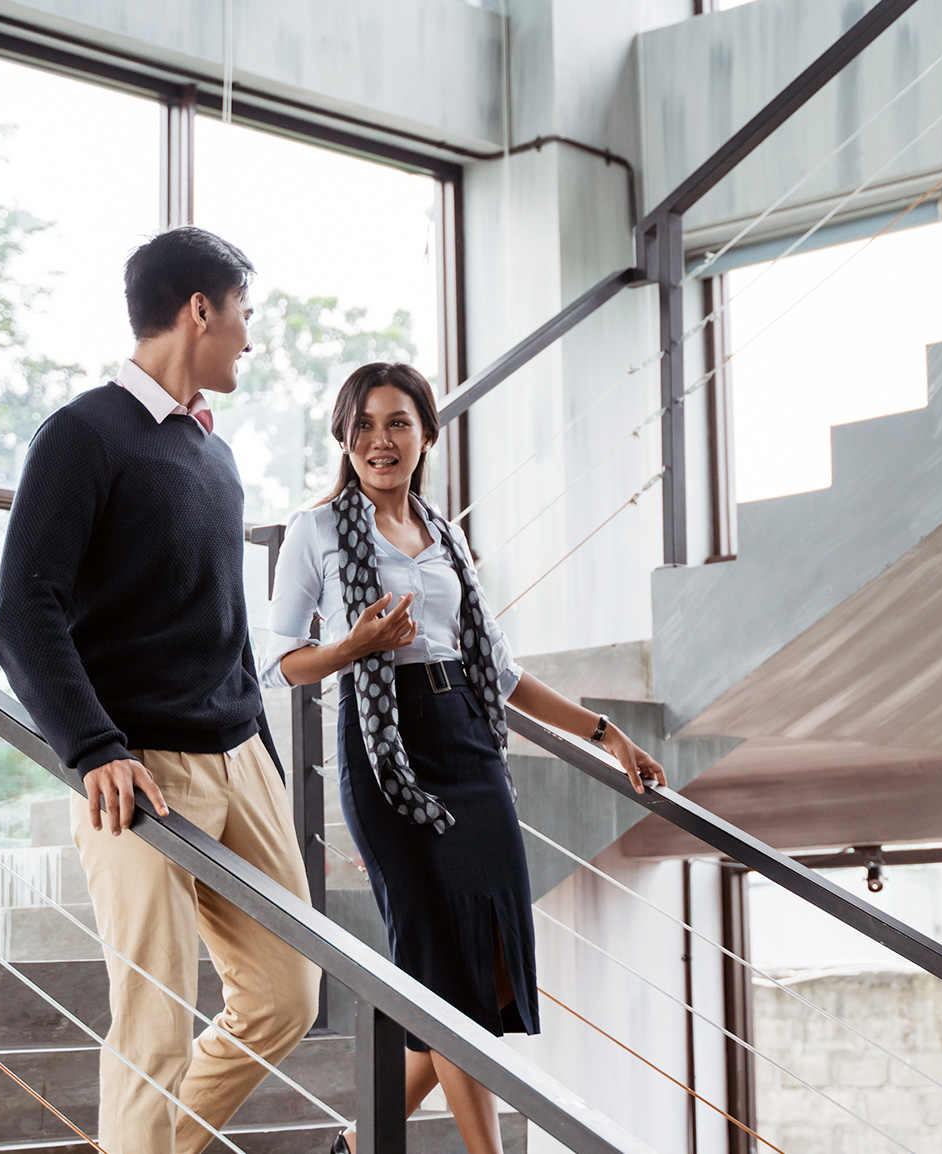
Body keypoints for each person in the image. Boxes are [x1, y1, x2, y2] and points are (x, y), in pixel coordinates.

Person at [264, 361, 666, 1154]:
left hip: (469, 743)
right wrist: (356, 644)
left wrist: (604, 732)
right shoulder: (315, 533)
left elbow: (502, 671)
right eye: (365, 426)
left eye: (399, 423)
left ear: (425, 435)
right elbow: (282, 661)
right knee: (437, 977)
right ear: (345, 439)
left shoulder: (447, 536)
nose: (381, 441)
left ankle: (352, 1145)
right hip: (384, 751)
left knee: (495, 975)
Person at [0, 226, 320, 1154]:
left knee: (290, 993)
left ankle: (151, 1147)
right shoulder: (81, 435)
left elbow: (222, 624)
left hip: (237, 755)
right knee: (156, 1021)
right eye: (244, 316)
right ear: (200, 309)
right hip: (134, 772)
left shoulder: (214, 457)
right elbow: (25, 613)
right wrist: (93, 746)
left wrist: (259, 752)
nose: (250, 340)